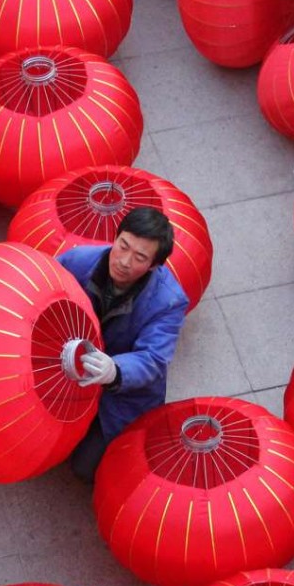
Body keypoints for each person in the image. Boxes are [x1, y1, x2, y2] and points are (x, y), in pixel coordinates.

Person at [56, 207, 189, 483]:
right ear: (115, 238)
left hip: (122, 394)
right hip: (68, 366)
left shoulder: (169, 301)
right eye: (122, 246)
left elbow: (153, 359)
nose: (124, 262)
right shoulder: (77, 260)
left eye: (139, 257)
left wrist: (115, 370)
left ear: (154, 265)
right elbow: (43, 283)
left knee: (85, 468)